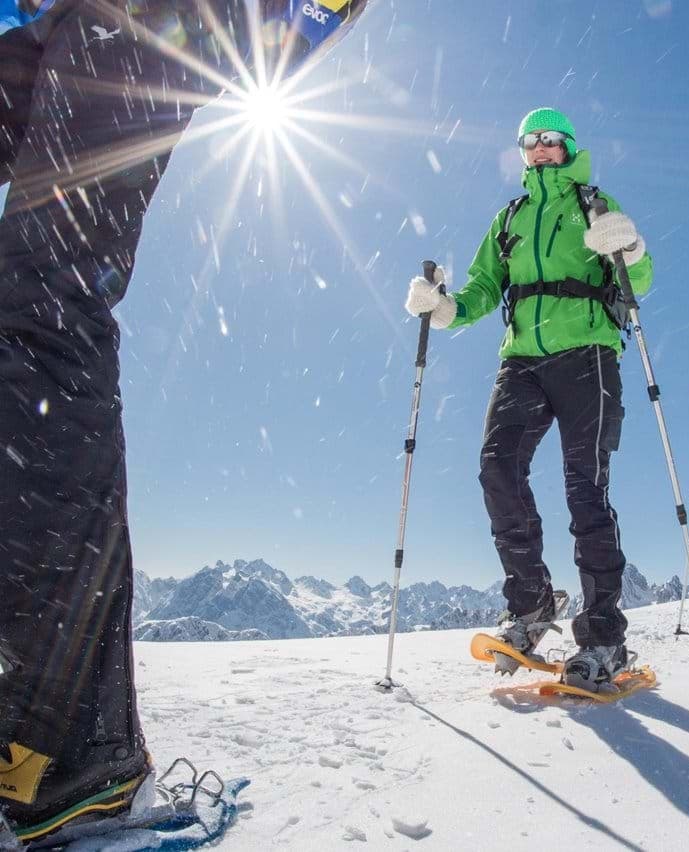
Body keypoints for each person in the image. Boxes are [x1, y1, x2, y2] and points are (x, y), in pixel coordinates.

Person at [0, 1, 369, 844]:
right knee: (27, 314)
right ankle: (46, 745)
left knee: (41, 307)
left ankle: (64, 756)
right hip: (62, 29)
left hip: (130, 22)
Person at [404, 107, 652, 692]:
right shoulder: (510, 217)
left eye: (550, 140)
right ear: (523, 152)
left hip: (589, 353)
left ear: (568, 146)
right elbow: (485, 289)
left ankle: (603, 637)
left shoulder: (594, 203)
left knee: (584, 487)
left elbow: (636, 282)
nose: (540, 149)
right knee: (497, 468)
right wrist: (444, 309)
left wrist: (632, 251)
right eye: (530, 142)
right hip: (521, 361)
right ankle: (533, 602)